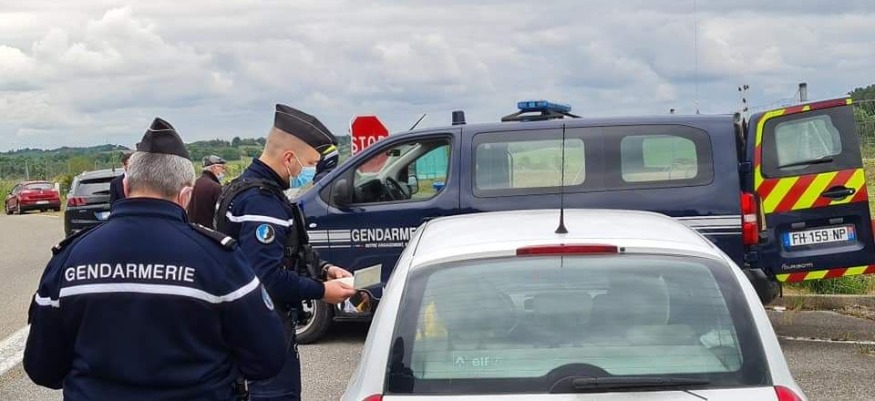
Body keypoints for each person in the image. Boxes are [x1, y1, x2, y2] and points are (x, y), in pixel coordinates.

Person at [24, 118, 286, 401]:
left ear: (126, 186)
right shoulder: (219, 258)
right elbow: (267, 358)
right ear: (186, 195)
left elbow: (43, 368)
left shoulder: (70, 256)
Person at [215, 104, 356, 401]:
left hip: (249, 333)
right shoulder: (261, 203)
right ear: (289, 158)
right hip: (263, 335)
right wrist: (322, 291)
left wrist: (324, 269)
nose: (313, 171)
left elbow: (286, 251)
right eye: (311, 163)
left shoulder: (245, 189)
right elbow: (267, 276)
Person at [188, 154, 227, 228]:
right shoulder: (215, 187)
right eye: (222, 167)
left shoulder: (194, 183)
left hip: (192, 228)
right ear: (214, 167)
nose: (224, 171)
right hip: (208, 230)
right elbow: (222, 214)